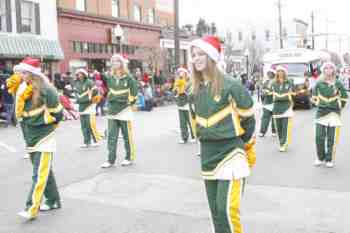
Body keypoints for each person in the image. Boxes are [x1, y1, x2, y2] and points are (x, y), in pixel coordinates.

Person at [190, 36, 256, 233]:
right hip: (208, 155)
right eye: (193, 55)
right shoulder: (194, 88)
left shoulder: (231, 85)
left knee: (227, 209)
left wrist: (240, 144)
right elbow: (196, 122)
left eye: (201, 54)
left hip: (230, 154)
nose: (196, 58)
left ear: (211, 56)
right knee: (215, 212)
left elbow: (249, 119)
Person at [9, 58, 63, 220]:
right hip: (30, 135)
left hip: (44, 135)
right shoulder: (22, 88)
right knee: (44, 171)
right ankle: (53, 200)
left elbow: (57, 113)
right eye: (20, 72)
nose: (21, 75)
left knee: (39, 174)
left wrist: (47, 125)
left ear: (33, 73)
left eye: (24, 72)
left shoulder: (47, 89)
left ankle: (31, 208)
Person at [100, 54, 138, 168]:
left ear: (122, 63)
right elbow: (108, 91)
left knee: (127, 135)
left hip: (124, 110)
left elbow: (134, 93)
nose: (115, 63)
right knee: (111, 136)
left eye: (117, 61)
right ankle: (110, 160)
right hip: (112, 109)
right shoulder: (109, 77)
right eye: (113, 61)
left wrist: (128, 103)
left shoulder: (129, 78)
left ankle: (129, 157)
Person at [312, 62, 348, 168]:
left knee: (332, 138)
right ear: (323, 70)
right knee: (319, 136)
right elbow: (313, 96)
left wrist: (340, 105)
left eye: (330, 68)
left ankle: (329, 158)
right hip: (321, 112)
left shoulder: (338, 83)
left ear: (333, 70)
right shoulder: (319, 82)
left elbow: (345, 96)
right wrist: (318, 103)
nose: (328, 70)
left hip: (334, 113)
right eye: (326, 68)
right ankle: (320, 157)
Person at [74, 68, 102, 148]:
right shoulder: (76, 83)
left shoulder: (89, 82)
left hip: (89, 106)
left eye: (81, 74)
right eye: (78, 74)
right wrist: (78, 100)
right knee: (84, 126)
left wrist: (90, 99)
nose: (79, 75)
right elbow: (76, 93)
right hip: (81, 107)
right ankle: (87, 142)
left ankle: (96, 140)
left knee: (91, 124)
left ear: (84, 74)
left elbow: (96, 91)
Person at [271, 65, 294, 152]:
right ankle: (281, 142)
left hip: (286, 107)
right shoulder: (273, 83)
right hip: (276, 108)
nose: (280, 73)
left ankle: (284, 143)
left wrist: (282, 96)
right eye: (278, 71)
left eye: (282, 71)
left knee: (285, 127)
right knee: (279, 128)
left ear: (284, 73)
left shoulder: (289, 82)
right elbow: (273, 95)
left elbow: (291, 93)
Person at [173, 67, 196, 144]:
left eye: (182, 72)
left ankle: (194, 136)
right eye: (179, 72)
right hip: (180, 103)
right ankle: (184, 137)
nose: (180, 74)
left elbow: (190, 92)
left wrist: (183, 86)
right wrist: (176, 90)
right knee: (182, 122)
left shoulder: (189, 81)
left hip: (187, 103)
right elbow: (174, 91)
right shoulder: (177, 81)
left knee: (190, 121)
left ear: (185, 73)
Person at [259, 68, 277, 137]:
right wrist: (264, 92)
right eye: (268, 73)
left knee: (274, 117)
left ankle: (274, 131)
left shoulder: (276, 82)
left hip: (275, 102)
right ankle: (262, 132)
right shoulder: (265, 82)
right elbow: (262, 91)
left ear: (273, 74)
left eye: (270, 73)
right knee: (265, 118)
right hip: (267, 102)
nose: (269, 75)